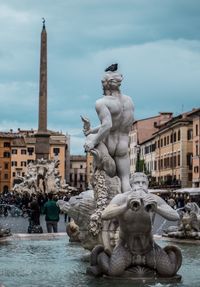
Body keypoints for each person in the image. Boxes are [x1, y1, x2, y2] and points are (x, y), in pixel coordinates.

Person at [88, 173, 181, 277]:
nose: (140, 185)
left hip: (149, 249)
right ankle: (101, 255)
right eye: (137, 183)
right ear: (131, 185)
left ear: (147, 184)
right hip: (126, 248)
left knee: (168, 271)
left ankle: (170, 253)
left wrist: (157, 208)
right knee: (113, 272)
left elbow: (175, 216)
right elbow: (105, 214)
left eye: (143, 183)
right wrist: (125, 206)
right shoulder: (121, 198)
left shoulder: (154, 199)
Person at [83, 67, 134, 193]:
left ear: (106, 83)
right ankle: (126, 206)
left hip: (109, 144)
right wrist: (91, 131)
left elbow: (107, 126)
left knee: (102, 178)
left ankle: (104, 207)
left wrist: (92, 140)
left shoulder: (102, 102)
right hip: (123, 145)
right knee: (125, 180)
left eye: (102, 82)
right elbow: (115, 124)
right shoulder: (129, 101)